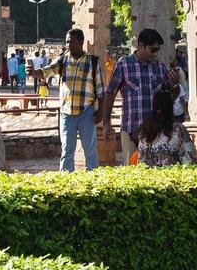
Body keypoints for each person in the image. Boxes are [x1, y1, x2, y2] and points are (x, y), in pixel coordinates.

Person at [96, 28, 180, 164]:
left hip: (156, 131)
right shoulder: (124, 65)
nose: (155, 53)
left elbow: (170, 99)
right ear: (141, 46)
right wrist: (106, 123)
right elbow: (110, 93)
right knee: (131, 171)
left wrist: (175, 85)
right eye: (153, 50)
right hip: (131, 128)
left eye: (157, 50)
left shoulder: (160, 68)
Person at [55, 28, 104, 171]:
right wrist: (35, 72)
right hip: (66, 112)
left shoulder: (93, 62)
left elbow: (101, 90)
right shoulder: (63, 60)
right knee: (66, 151)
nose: (69, 45)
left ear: (81, 42)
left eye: (72, 42)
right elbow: (47, 70)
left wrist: (100, 112)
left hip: (87, 112)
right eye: (67, 41)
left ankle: (92, 180)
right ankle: (66, 181)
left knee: (90, 150)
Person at [135, 87, 197, 167]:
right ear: (170, 108)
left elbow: (141, 161)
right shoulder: (178, 129)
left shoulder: (144, 130)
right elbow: (191, 160)